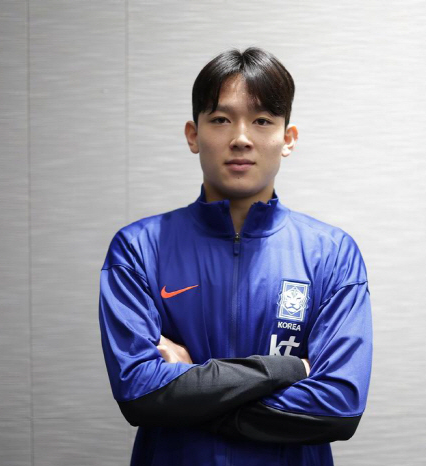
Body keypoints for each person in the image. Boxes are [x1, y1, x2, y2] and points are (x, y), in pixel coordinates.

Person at [99, 46, 373, 466]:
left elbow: (339, 406)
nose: (241, 138)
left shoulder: (332, 254)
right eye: (221, 119)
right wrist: (290, 370)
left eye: (262, 120)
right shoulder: (138, 249)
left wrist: (188, 390)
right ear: (193, 135)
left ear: (288, 138)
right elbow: (140, 394)